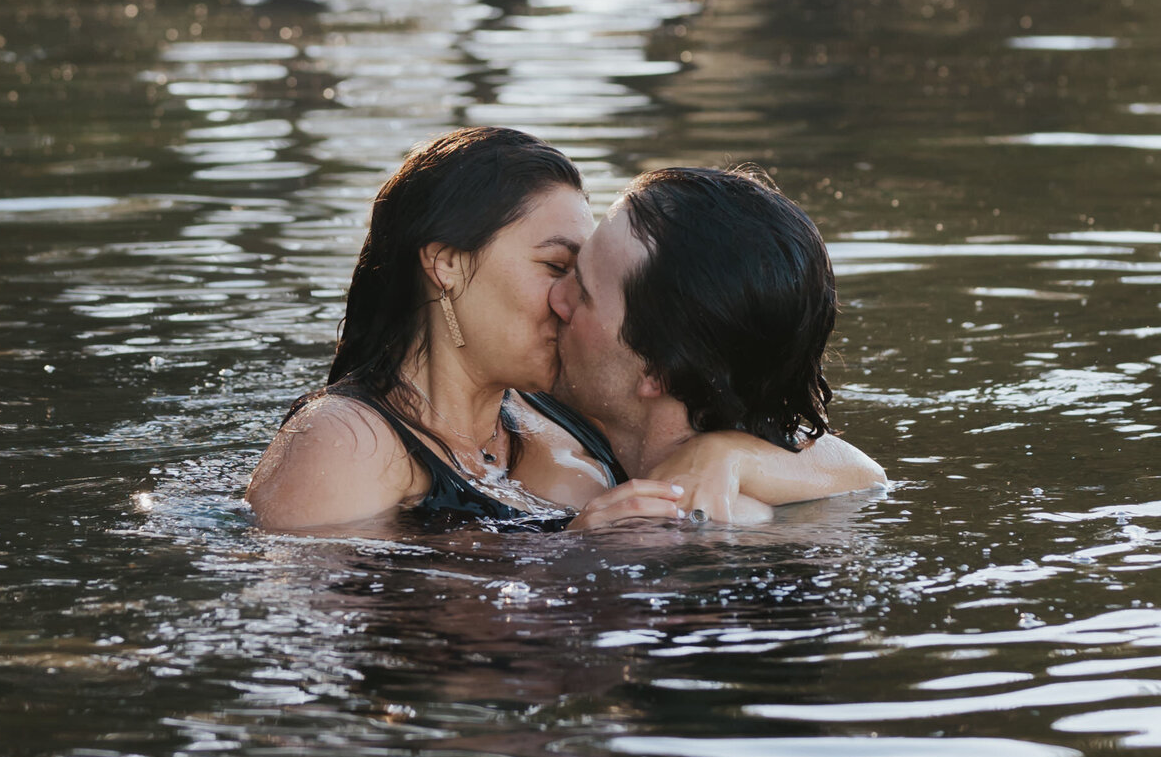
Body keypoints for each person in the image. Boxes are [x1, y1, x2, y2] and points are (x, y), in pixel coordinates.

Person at [246, 126, 683, 534]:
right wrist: (574, 552)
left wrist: (729, 457)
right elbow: (329, 608)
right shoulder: (344, 445)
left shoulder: (565, 404)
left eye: (582, 277)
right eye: (555, 267)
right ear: (446, 264)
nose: (571, 302)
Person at [548, 166, 885, 523]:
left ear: (657, 370)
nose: (556, 297)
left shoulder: (677, 527)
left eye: (582, 292)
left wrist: (578, 558)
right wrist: (732, 454)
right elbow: (868, 474)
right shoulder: (771, 465)